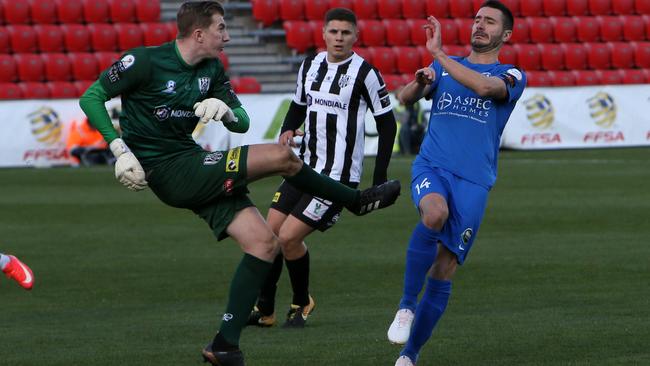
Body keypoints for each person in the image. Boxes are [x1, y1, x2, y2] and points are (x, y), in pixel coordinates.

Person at [78, 2, 400, 365]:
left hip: (192, 162)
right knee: (283, 157)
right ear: (199, 33)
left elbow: (243, 121)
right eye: (221, 29)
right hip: (171, 171)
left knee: (264, 243)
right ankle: (355, 200)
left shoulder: (212, 69)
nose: (227, 36)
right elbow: (91, 97)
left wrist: (228, 111)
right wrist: (119, 149)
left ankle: (224, 345)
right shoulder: (145, 62)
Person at [386, 2, 526, 365]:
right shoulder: (442, 67)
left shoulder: (511, 73)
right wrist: (420, 81)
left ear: (505, 34)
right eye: (477, 19)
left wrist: (440, 56)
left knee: (444, 268)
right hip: (433, 165)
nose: (479, 25)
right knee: (434, 213)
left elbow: (483, 87)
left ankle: (409, 355)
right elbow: (403, 98)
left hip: (475, 181)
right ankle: (405, 306)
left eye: (489, 21)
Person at [246, 7, 397, 329]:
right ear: (324, 33)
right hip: (302, 167)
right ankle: (265, 309)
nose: (339, 38)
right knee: (268, 237)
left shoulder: (365, 73)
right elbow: (299, 105)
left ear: (356, 36)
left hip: (338, 176)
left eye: (345, 33)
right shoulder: (310, 65)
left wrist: (379, 178)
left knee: (288, 238)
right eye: (334, 32)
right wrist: (288, 128)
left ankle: (301, 303)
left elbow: (387, 124)